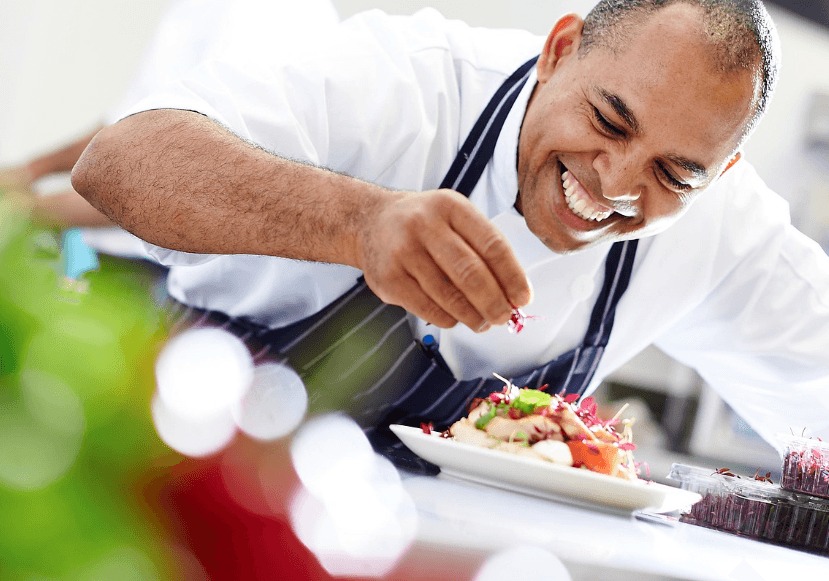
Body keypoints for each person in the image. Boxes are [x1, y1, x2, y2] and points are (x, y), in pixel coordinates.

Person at [71, 0, 829, 471]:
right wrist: (356, 223)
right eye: (607, 120)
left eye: (676, 173)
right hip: (181, 470)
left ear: (722, 171)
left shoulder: (724, 230)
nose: (616, 183)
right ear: (559, 50)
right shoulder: (409, 81)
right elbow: (119, 162)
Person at [0, 0, 340, 258]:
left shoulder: (273, 18)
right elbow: (128, 123)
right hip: (109, 254)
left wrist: (28, 211)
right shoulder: (196, 9)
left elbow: (189, 187)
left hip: (168, 280)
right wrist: (30, 172)